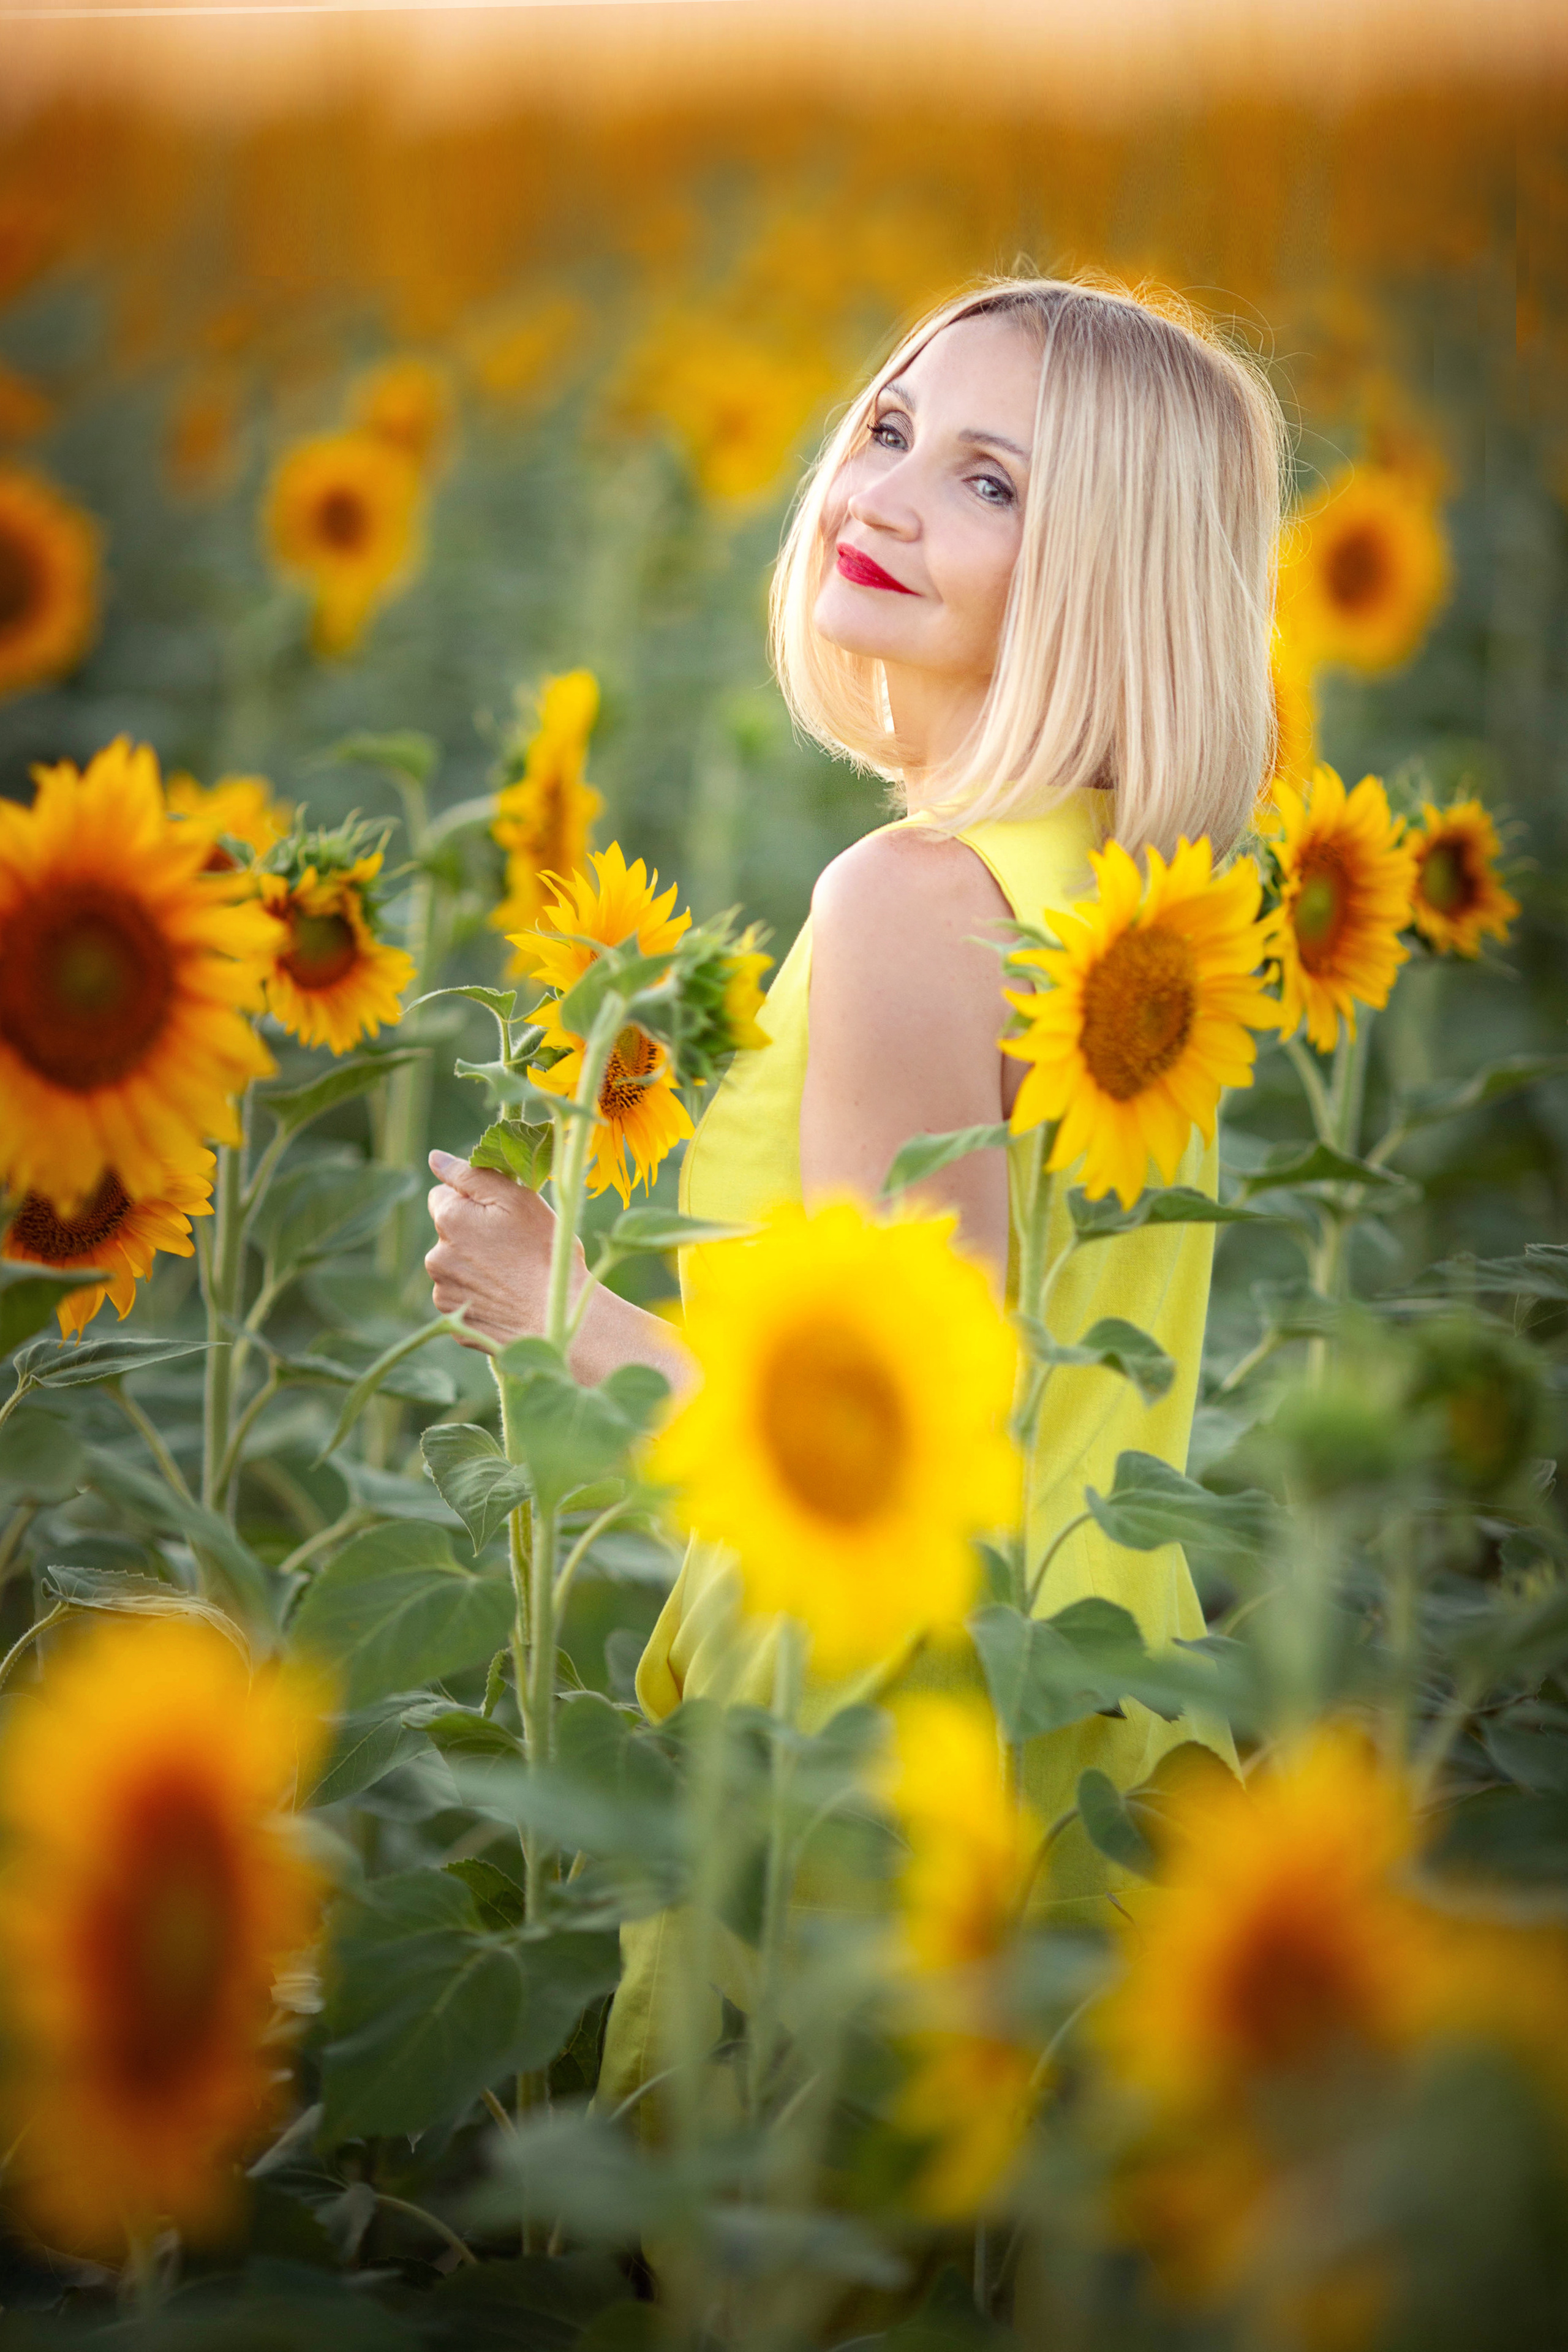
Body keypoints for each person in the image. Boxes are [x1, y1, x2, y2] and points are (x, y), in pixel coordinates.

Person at [425, 272, 1286, 2090]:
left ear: (1109, 578)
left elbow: (889, 1483)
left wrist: (554, 1304)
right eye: (890, 430)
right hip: (1096, 1717)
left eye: (992, 481)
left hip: (877, 1766)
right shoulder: (1146, 930)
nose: (881, 495)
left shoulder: (913, 901)